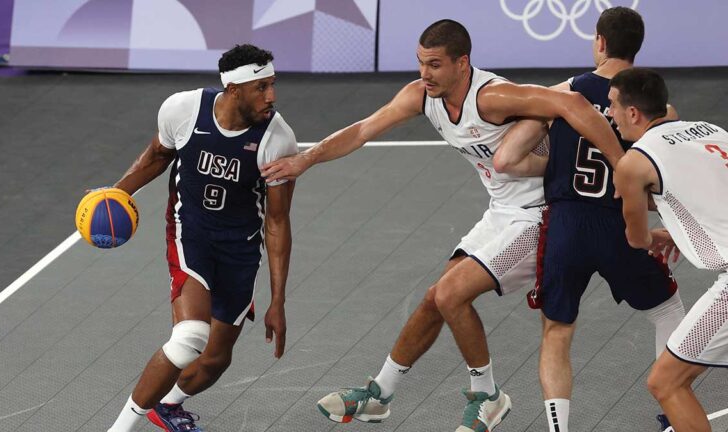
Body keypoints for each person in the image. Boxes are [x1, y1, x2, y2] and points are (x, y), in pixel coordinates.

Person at [261, 19, 620, 431]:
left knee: (450, 295)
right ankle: (380, 394)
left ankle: (488, 395)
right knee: (436, 298)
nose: (424, 74)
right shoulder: (421, 96)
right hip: (502, 210)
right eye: (420, 63)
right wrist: (306, 158)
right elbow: (362, 130)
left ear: (462, 63)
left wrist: (619, 161)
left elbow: (573, 104)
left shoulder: (493, 97)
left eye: (434, 65)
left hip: (541, 216)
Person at [492, 8, 685, 432]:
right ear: (637, 46)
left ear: (599, 42)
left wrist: (559, 165)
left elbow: (506, 159)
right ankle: (674, 417)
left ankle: (559, 429)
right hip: (621, 224)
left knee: (557, 330)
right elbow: (665, 181)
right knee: (667, 309)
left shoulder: (562, 95)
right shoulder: (657, 110)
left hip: (565, 225)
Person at [106, 44, 298, 432]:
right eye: (261, 88)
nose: (271, 96)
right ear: (234, 90)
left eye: (272, 85)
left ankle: (169, 405)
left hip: (240, 250)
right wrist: (114, 195)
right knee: (190, 336)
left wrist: (277, 300)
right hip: (189, 233)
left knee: (214, 360)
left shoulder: (276, 139)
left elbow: (277, 222)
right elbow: (157, 157)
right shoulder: (183, 110)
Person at [612, 67, 728, 432]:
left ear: (634, 113)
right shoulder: (714, 131)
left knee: (666, 382)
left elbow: (636, 239)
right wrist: (684, 228)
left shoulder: (633, 163)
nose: (609, 115)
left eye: (613, 106)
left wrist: (658, 237)